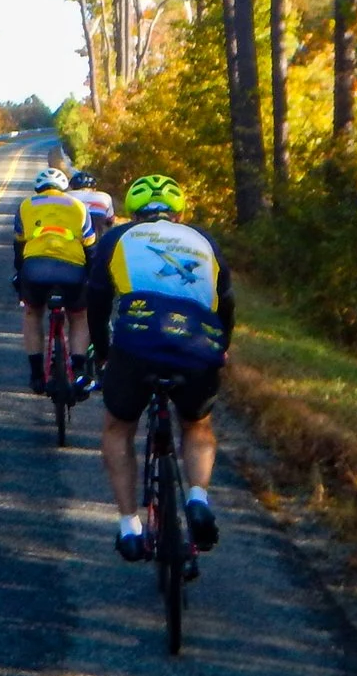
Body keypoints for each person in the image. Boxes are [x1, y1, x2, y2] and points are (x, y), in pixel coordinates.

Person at [83, 173, 234, 564]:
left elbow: (97, 299)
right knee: (196, 424)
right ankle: (198, 497)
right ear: (179, 212)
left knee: (119, 426)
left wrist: (101, 351)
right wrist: (222, 349)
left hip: (137, 341)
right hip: (198, 341)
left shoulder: (117, 240)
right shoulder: (204, 240)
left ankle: (129, 526)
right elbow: (226, 301)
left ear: (132, 214)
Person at [12, 165, 92, 396]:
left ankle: (36, 375)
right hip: (72, 270)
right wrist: (91, 275)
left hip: (35, 270)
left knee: (32, 314)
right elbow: (91, 246)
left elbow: (19, 245)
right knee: (78, 317)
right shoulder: (78, 206)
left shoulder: (26, 205)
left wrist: (19, 273)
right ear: (65, 188)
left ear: (38, 189)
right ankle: (77, 370)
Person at [67, 168, 114, 243]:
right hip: (97, 243)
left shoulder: (65, 196)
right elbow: (110, 223)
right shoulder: (105, 197)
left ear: (72, 187)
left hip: (71, 243)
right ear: (94, 189)